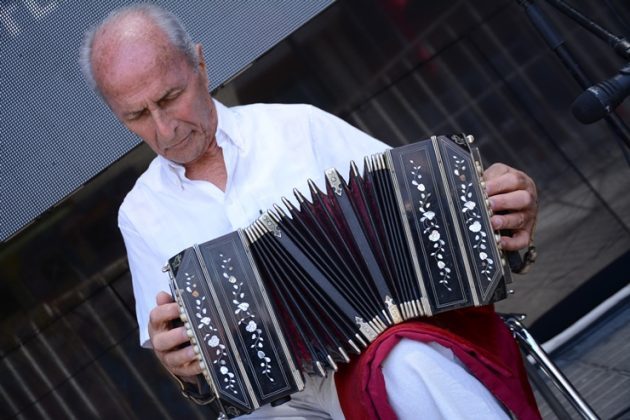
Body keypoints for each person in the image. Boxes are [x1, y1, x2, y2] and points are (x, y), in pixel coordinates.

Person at [80, 4, 540, 419]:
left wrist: (498, 214)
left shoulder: (299, 127)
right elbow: (188, 364)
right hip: (276, 403)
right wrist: (179, 365)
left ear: (199, 64)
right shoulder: (140, 214)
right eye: (136, 116)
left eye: (168, 98)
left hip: (383, 343)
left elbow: (430, 219)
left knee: (409, 367)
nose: (164, 129)